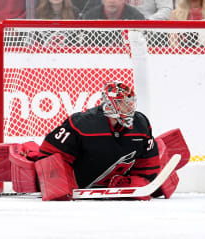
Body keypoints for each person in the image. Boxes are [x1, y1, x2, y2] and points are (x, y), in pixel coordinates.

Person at [30, 82, 162, 200]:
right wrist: (60, 185)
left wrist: (138, 181)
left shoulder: (141, 123)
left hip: (112, 181)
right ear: (110, 104)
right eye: (123, 103)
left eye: (131, 102)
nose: (130, 108)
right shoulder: (82, 123)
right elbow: (52, 152)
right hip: (78, 183)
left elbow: (148, 159)